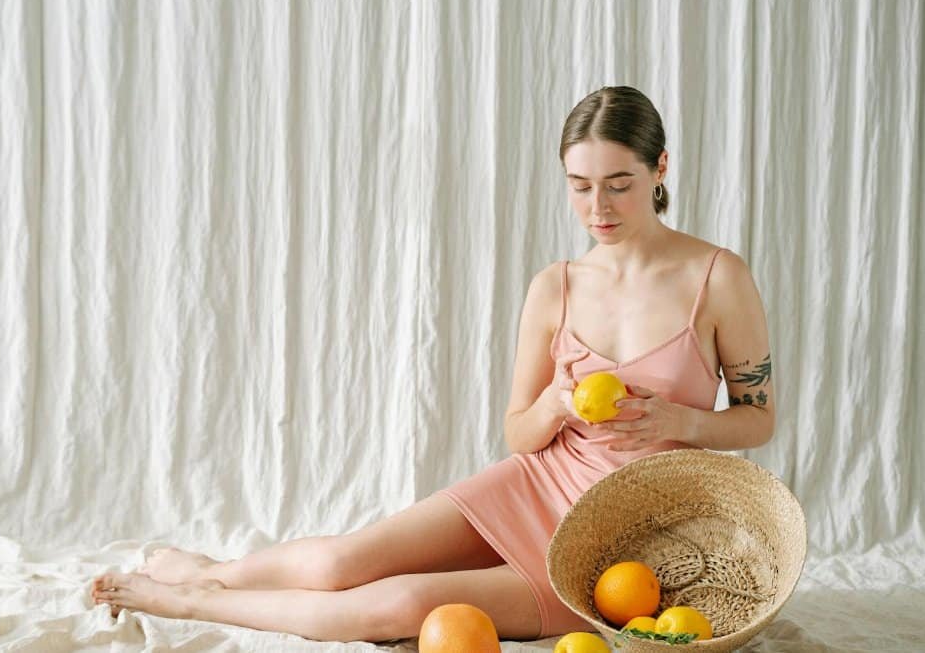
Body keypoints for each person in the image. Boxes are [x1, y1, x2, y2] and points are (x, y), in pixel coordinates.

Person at [90, 85, 776, 643]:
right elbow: (518, 431)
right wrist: (558, 406)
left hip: (630, 536)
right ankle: (214, 570)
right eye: (579, 186)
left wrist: (680, 420)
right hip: (540, 481)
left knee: (398, 606)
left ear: (660, 169)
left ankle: (190, 602)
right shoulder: (556, 285)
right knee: (339, 561)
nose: (597, 208)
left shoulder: (718, 277)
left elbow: (758, 420)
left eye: (619, 184)